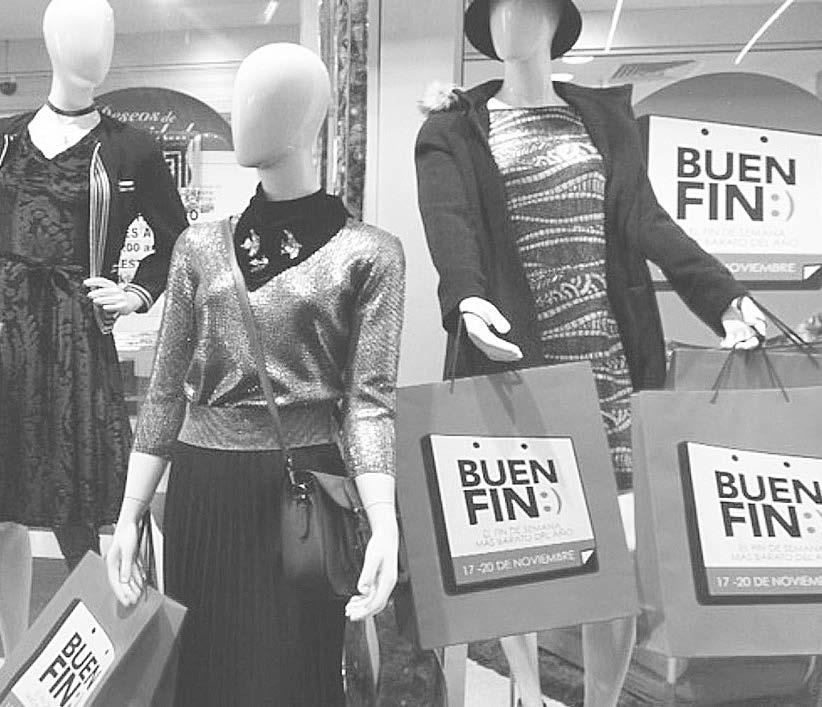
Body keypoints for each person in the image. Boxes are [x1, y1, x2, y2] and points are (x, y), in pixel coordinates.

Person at [415, 1, 765, 705]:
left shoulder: (603, 121)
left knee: (619, 567)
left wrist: (723, 295)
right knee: (516, 553)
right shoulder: (453, 127)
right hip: (514, 368)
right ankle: (525, 689)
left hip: (608, 368)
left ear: (554, 19)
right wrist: (467, 298)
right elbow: (450, 223)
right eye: (495, 6)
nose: (508, 18)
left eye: (524, 4)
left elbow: (648, 221)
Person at [105, 43, 405, 706]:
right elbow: (166, 391)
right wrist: (129, 513)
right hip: (203, 487)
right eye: (240, 96)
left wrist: (382, 521)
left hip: (302, 493)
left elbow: (370, 403)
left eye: (261, 98)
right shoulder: (198, 247)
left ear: (309, 118)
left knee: (294, 678)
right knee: (203, 672)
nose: (241, 113)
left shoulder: (371, 254)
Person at [0, 0, 186, 658]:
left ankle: (112, 660)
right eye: (83, 30)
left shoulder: (129, 146)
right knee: (3, 514)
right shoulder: (6, 139)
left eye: (106, 30)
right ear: (52, 39)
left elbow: (177, 240)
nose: (98, 45)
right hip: (7, 342)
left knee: (89, 509)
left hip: (78, 343)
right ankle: (16, 658)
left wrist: (135, 292)